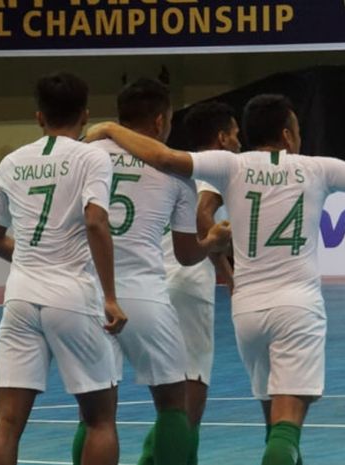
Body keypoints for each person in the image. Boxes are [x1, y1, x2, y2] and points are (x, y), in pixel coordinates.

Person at [86, 94, 345, 465]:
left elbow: (165, 158)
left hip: (247, 310)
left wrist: (112, 129)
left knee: (274, 425)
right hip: (296, 305)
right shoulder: (317, 168)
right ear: (288, 136)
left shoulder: (231, 165)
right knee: (286, 425)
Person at [0, 72, 128, 465]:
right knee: (100, 420)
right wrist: (110, 297)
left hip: (21, 297)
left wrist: (34, 253)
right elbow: (96, 221)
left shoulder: (11, 163)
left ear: (38, 116)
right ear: (85, 115)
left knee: (6, 422)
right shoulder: (91, 157)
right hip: (72, 295)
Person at [90, 78, 232, 465]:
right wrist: (215, 244)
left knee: (95, 415)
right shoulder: (178, 170)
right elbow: (188, 251)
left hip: (87, 291)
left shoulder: (83, 156)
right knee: (176, 404)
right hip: (149, 289)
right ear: (158, 121)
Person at [160, 101, 240, 464]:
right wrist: (227, 271)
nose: (240, 143)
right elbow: (202, 214)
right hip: (188, 279)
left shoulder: (175, 170)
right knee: (193, 387)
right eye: (236, 136)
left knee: (170, 391)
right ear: (222, 138)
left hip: (155, 277)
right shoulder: (215, 171)